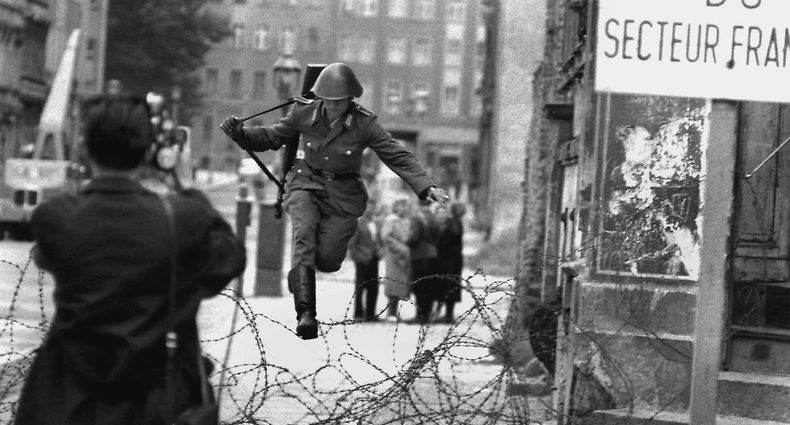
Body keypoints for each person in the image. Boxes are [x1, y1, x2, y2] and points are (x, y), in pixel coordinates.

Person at [14, 95, 247, 424]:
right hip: (152, 398)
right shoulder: (180, 219)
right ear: (150, 152)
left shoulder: (56, 218)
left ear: (85, 148)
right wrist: (189, 187)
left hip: (66, 400)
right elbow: (230, 259)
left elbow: (47, 257)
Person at [220, 62, 449, 339]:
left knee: (328, 260)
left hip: (343, 196)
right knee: (303, 233)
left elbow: (396, 155)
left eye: (340, 101)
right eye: (329, 100)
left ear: (351, 99)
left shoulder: (364, 123)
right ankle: (306, 314)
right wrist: (241, 133)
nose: (334, 106)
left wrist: (427, 186)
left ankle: (300, 275)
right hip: (305, 183)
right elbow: (273, 136)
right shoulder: (303, 112)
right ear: (321, 97)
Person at [347, 199, 382, 321]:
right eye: (368, 207)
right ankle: (358, 314)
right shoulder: (358, 223)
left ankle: (371, 314)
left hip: (374, 259)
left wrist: (379, 251)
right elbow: (352, 244)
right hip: (362, 260)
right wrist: (358, 257)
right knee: (360, 287)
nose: (371, 210)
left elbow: (378, 240)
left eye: (373, 207)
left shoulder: (376, 223)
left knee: (373, 287)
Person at [408, 200, 441, 324]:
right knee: (429, 285)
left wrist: (407, 242)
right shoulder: (433, 218)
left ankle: (419, 314)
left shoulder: (417, 218)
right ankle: (427, 313)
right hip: (433, 253)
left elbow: (414, 237)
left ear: (419, 205)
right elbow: (438, 235)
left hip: (419, 255)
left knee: (419, 286)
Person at [380, 197, 413, 321]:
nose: (404, 208)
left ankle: (395, 311)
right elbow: (386, 236)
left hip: (404, 255)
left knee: (400, 283)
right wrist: (399, 247)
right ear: (396, 207)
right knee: (393, 282)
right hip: (394, 255)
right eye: (402, 205)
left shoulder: (405, 220)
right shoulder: (391, 220)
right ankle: (391, 312)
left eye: (406, 206)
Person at [436, 202, 466, 323]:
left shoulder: (453, 223)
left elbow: (448, 239)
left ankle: (448, 314)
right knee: (449, 285)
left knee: (449, 285)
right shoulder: (455, 222)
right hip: (451, 258)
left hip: (450, 259)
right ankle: (447, 313)